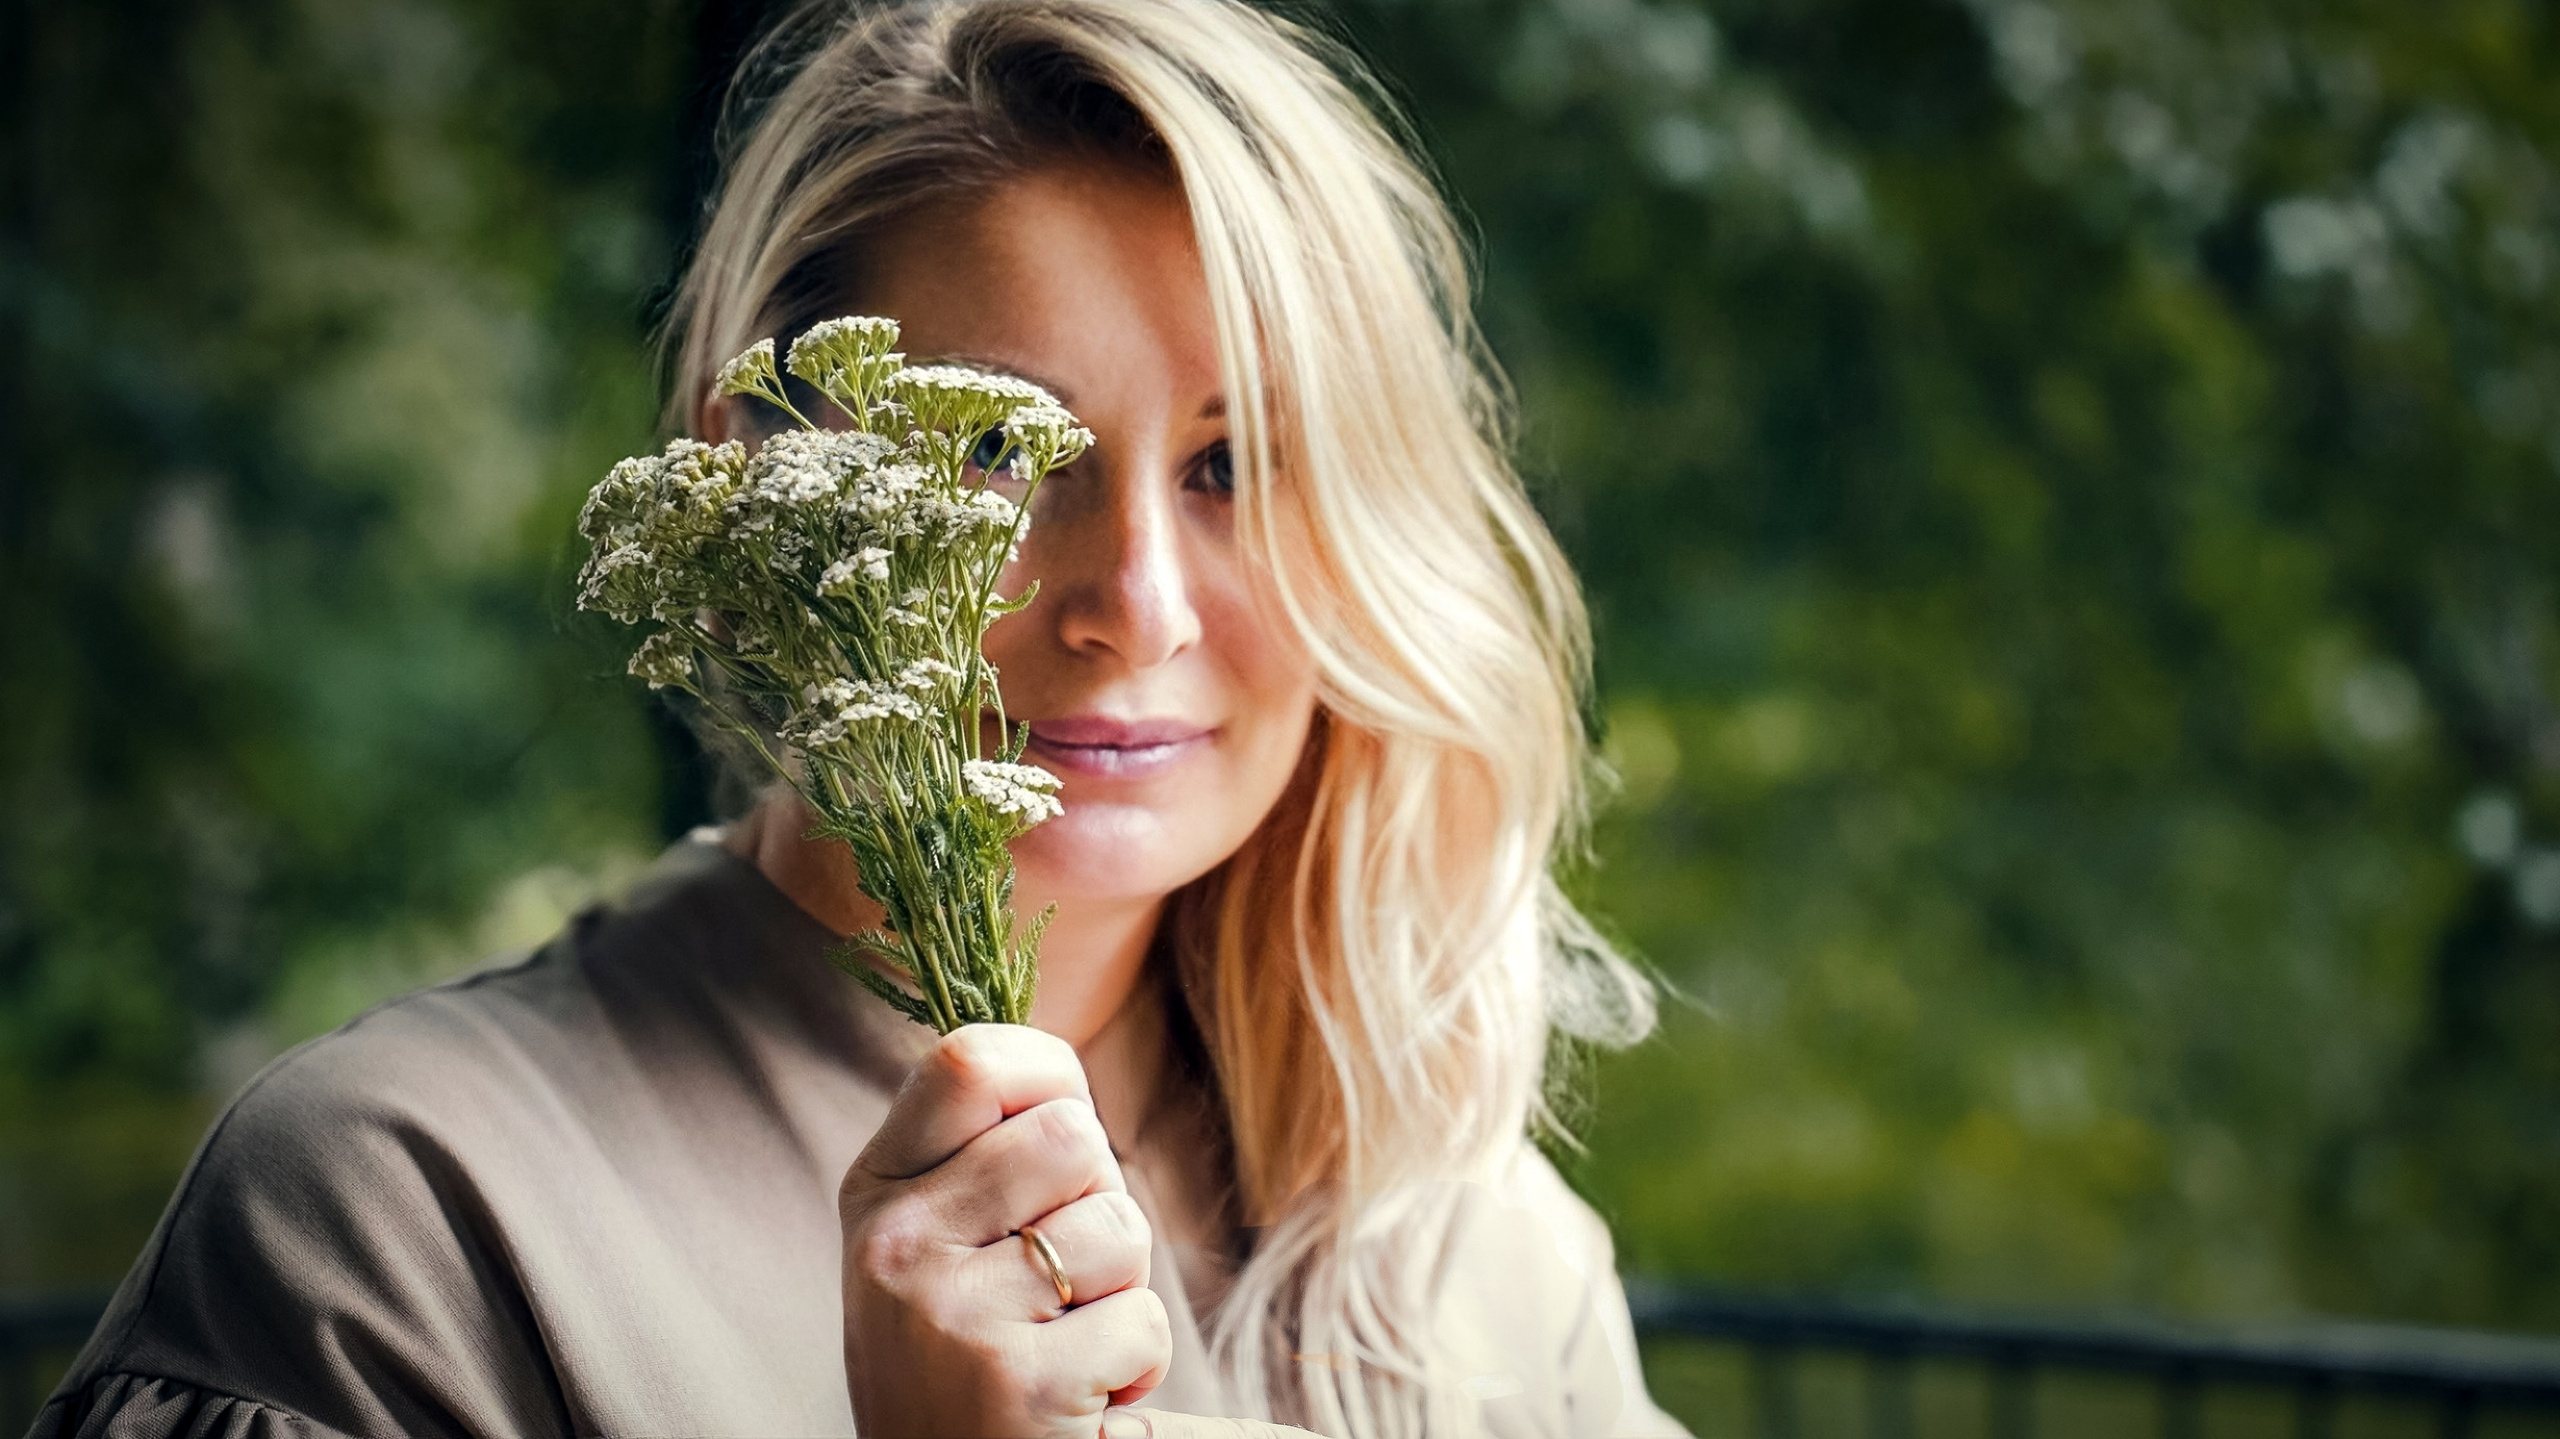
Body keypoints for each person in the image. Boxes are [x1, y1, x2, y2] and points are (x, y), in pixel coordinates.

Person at [33, 1, 1685, 1435]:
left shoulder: (1475, 1263)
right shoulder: (397, 1222)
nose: (1139, 607)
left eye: (1231, 465)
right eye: (999, 456)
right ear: (749, 489)